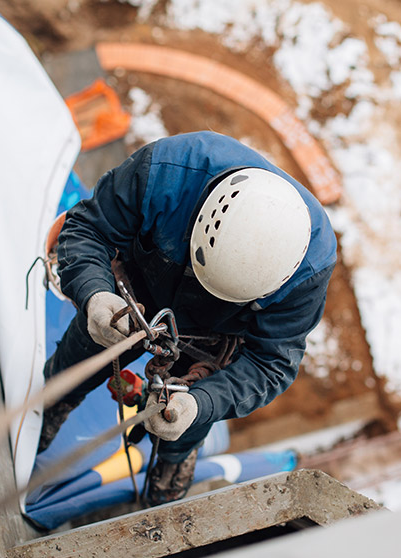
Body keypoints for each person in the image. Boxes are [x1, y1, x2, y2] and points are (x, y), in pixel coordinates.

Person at [39, 131, 337, 506]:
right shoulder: (166, 173)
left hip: (216, 336)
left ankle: (169, 476)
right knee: (82, 355)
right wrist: (95, 295)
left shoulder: (307, 271)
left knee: (184, 415)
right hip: (140, 283)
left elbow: (270, 363)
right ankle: (51, 406)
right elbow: (86, 229)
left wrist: (200, 405)